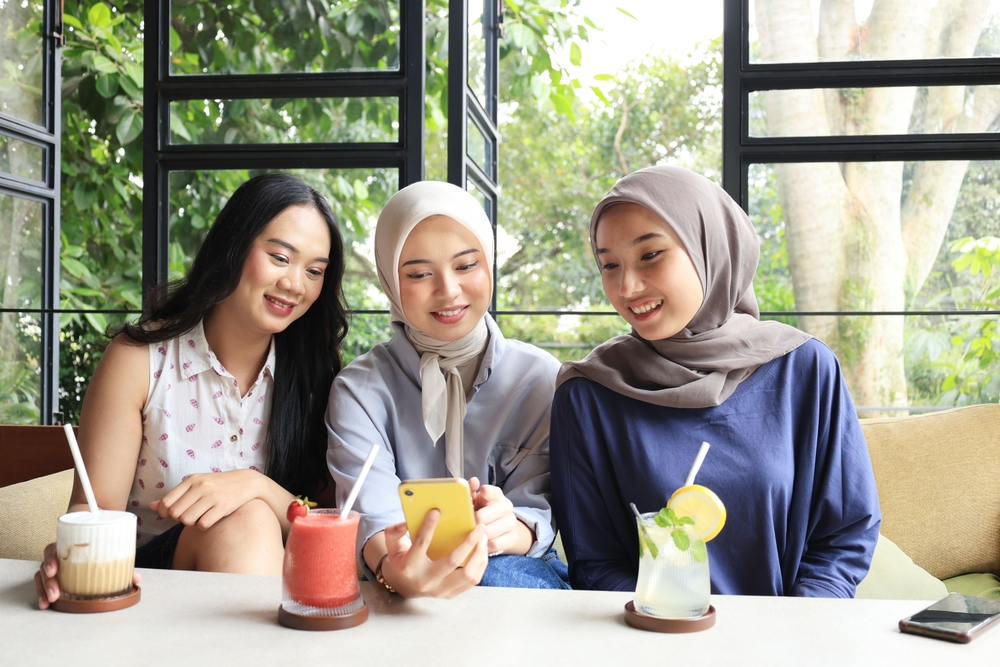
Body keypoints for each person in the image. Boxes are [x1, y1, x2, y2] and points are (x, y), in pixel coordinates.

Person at [550, 165, 880, 597]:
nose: (627, 286)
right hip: (652, 641)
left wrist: (790, 633)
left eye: (650, 255)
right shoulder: (588, 393)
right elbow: (594, 562)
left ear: (711, 247)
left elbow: (843, 537)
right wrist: (674, 627)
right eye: (609, 264)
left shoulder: (804, 370)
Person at [35, 173, 348, 609]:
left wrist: (254, 488)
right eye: (280, 257)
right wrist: (73, 552)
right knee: (249, 522)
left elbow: (331, 523)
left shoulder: (318, 378)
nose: (296, 284)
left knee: (252, 515)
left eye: (314, 271)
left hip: (275, 583)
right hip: (145, 583)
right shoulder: (140, 360)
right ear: (233, 247)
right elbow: (97, 507)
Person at [326, 180, 568, 598]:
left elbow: (538, 517)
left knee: (496, 578)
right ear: (389, 281)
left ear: (489, 265)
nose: (449, 290)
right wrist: (398, 570)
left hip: (514, 574)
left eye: (466, 265)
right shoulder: (360, 390)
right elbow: (374, 521)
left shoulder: (539, 379)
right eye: (419, 274)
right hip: (397, 577)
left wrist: (508, 528)